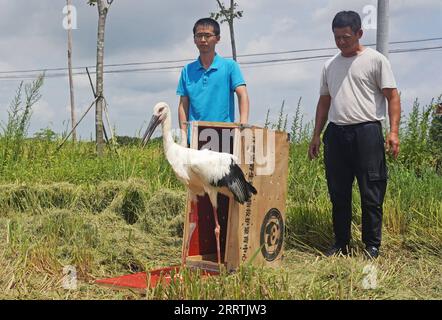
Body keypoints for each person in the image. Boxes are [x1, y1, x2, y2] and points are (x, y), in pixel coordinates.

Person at [308, 11, 401, 259]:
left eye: (346, 37)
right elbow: (324, 102)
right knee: (338, 193)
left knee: (371, 191)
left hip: (367, 132)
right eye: (337, 37)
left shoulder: (376, 60)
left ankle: (371, 245)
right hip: (336, 134)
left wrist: (393, 132)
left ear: (359, 33)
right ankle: (341, 243)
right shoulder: (329, 65)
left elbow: (392, 96)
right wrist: (316, 134)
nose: (341, 42)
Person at [177, 17, 250, 147]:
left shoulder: (230, 66)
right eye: (199, 36)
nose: (203, 40)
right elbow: (183, 105)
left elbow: (242, 94)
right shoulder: (187, 70)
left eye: (207, 35)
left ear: (217, 38)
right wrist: (183, 136)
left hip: (224, 134)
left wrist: (243, 126)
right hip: (195, 136)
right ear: (194, 39)